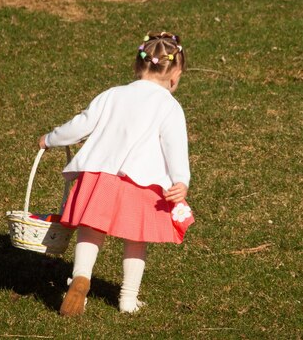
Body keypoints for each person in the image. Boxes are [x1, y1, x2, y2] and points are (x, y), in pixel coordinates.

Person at [39, 32, 194, 316]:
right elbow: (175, 147)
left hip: (100, 178)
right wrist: (180, 181)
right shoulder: (169, 106)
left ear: (138, 67)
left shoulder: (112, 95)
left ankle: (81, 278)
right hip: (142, 184)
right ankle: (127, 299)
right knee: (136, 239)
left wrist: (50, 139)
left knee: (91, 230)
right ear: (175, 74)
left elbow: (80, 125)